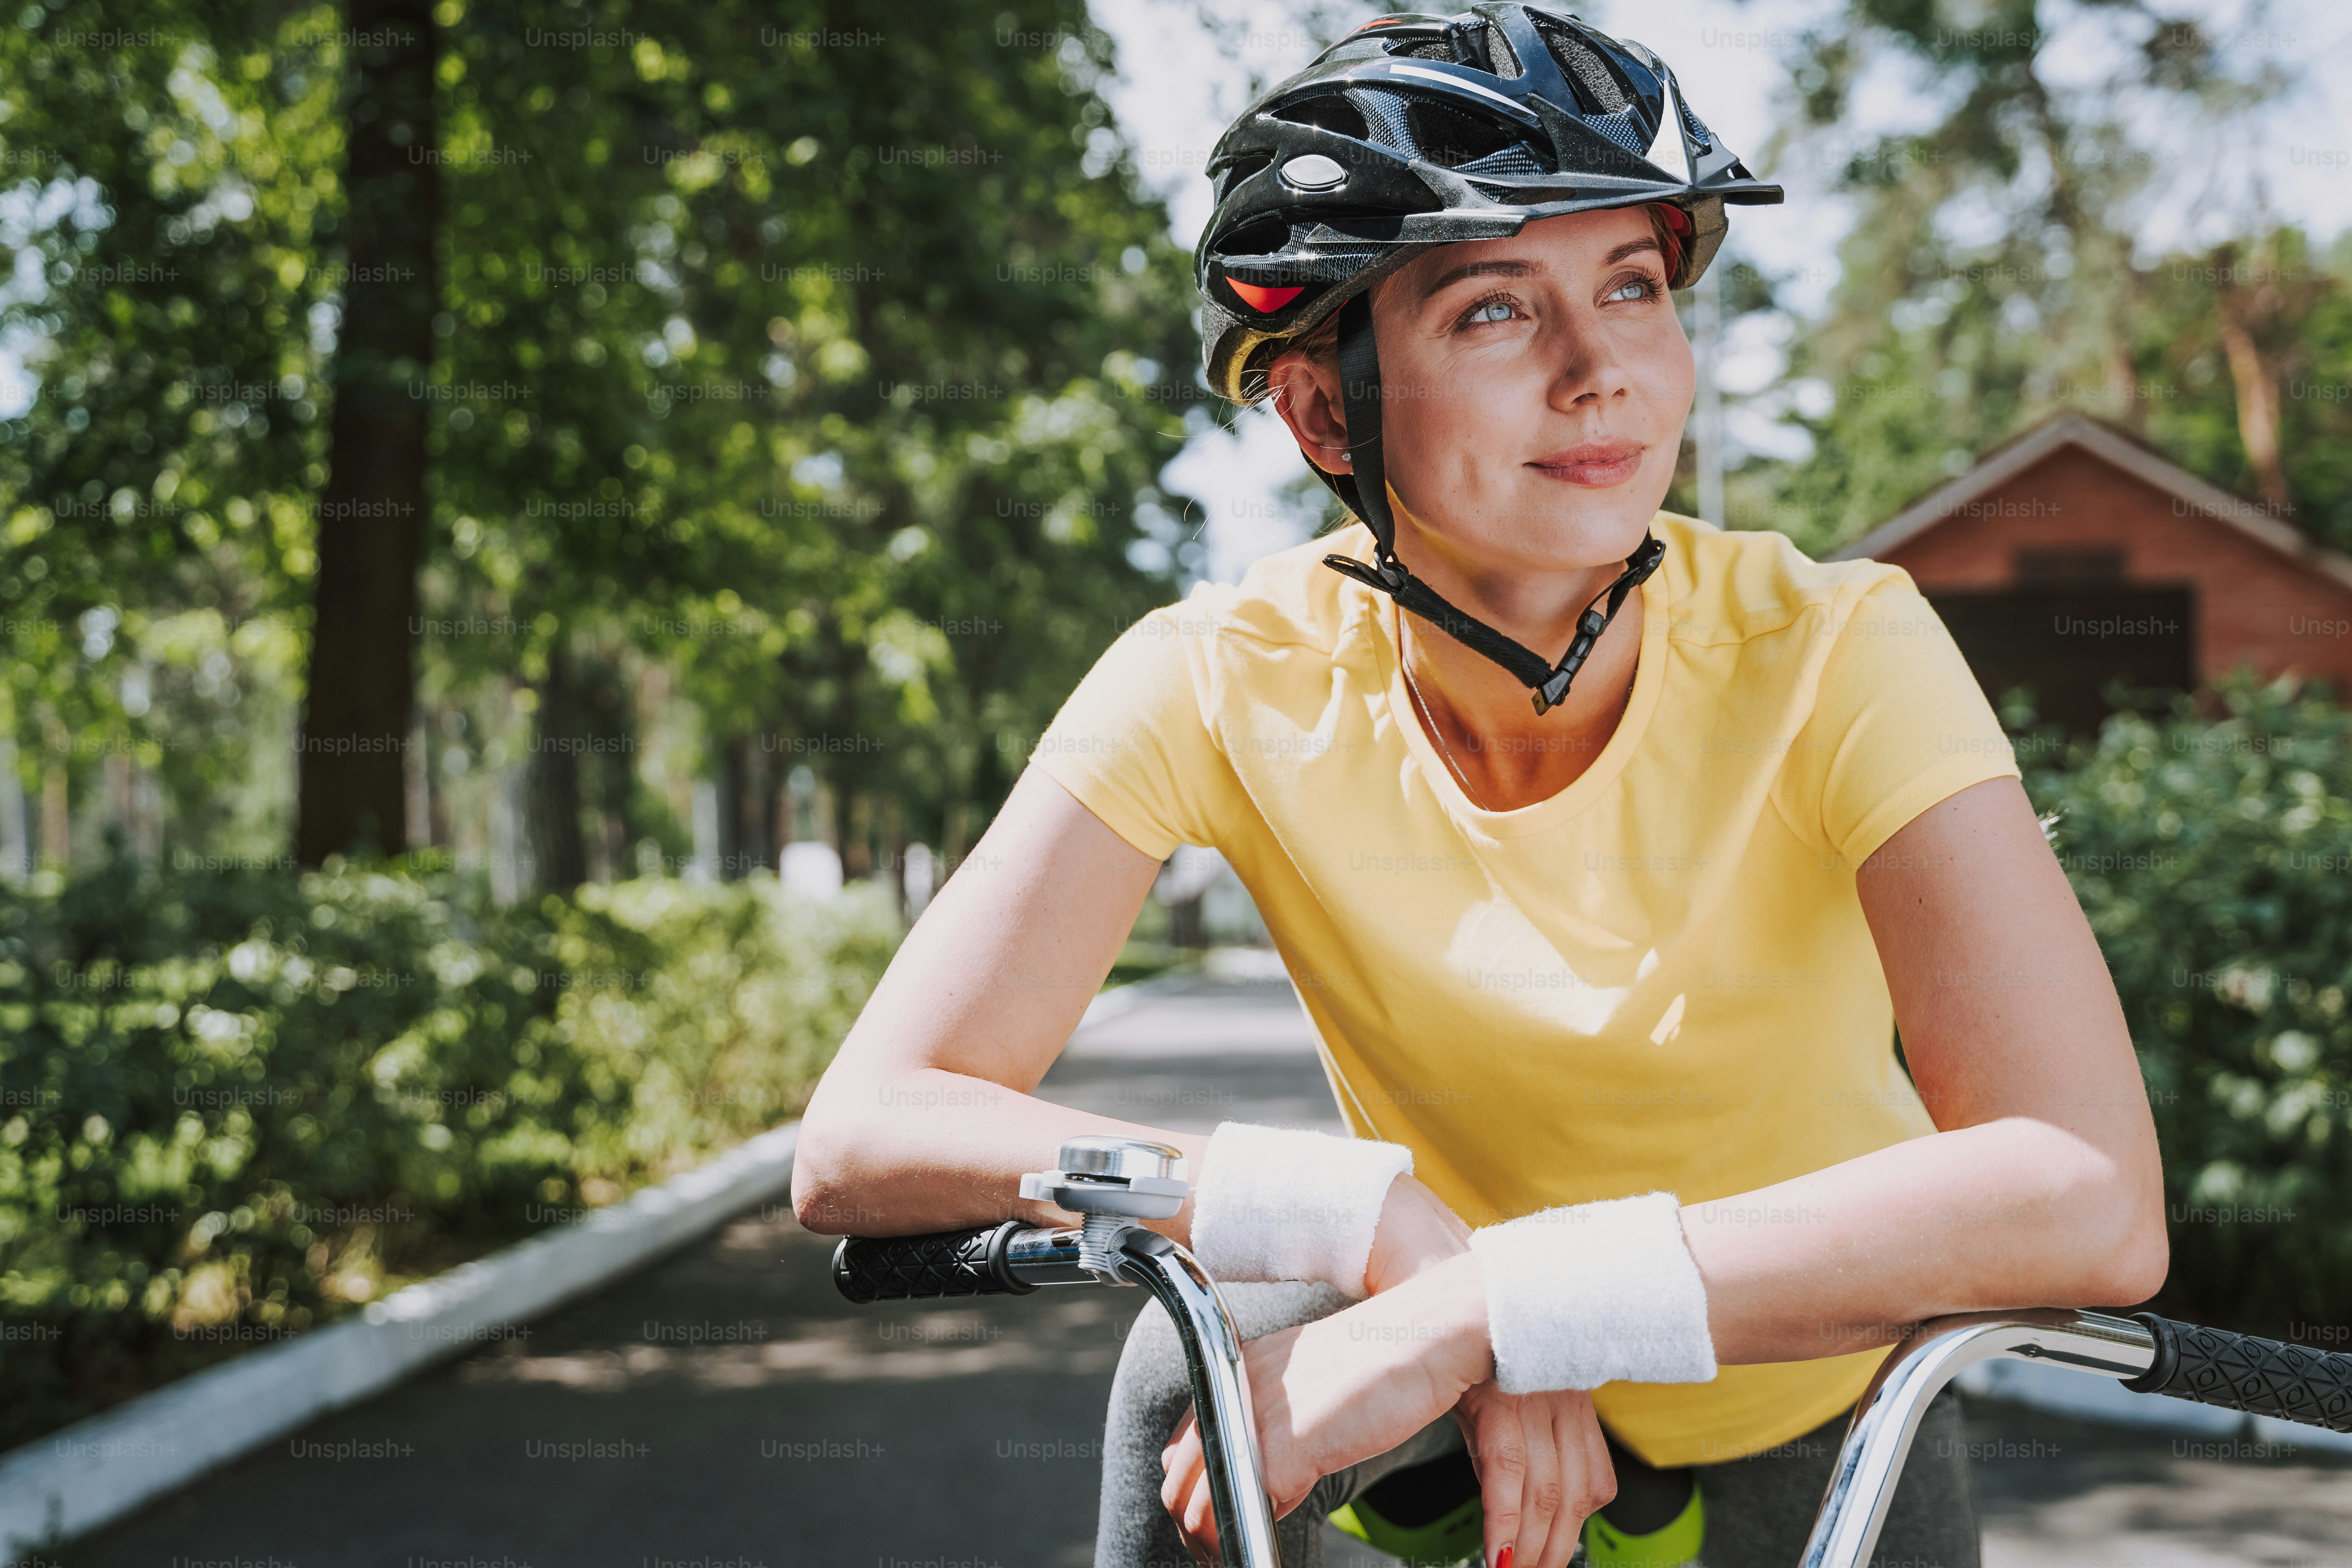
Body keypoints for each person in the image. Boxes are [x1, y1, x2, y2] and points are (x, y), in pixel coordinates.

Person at [790, 7, 2168, 1567]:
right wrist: (1355, 1214)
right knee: (1196, 1370)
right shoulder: (1223, 670)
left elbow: (2089, 1193)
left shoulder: (1840, 645)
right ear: (1323, 414)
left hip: (1813, 1402)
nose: (1601, 374)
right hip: (1438, 1385)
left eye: (1633, 287)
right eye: (1495, 314)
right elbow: (861, 1136)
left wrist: (1498, 1303)